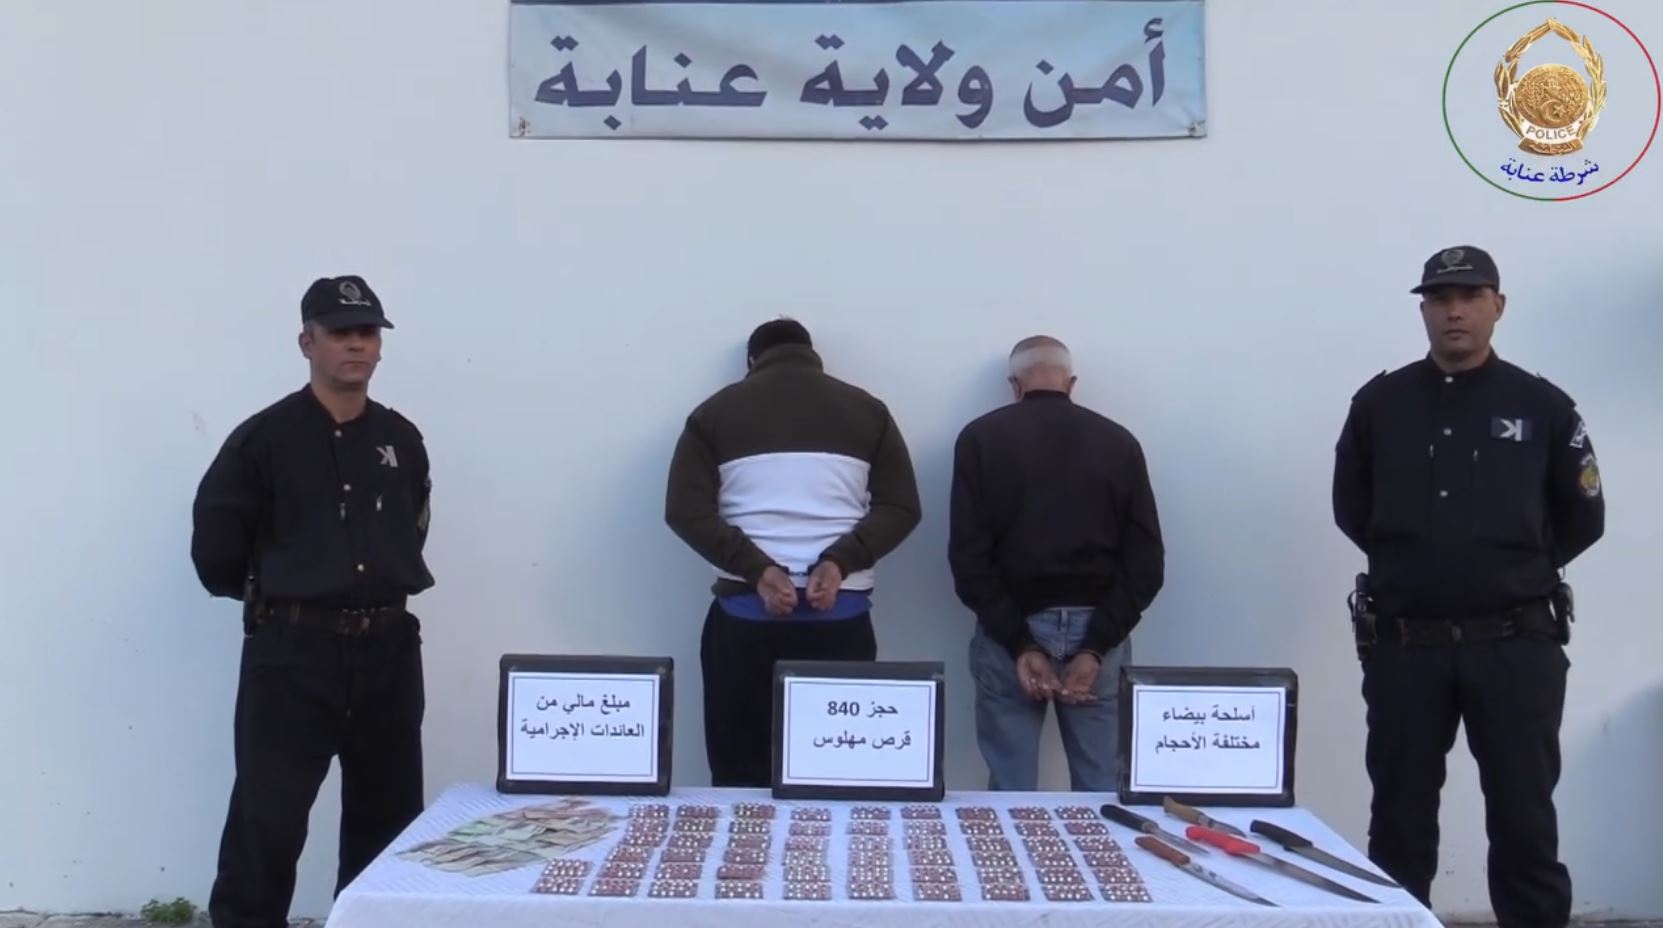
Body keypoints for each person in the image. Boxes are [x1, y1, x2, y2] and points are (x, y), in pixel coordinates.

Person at [1332, 245, 1604, 928]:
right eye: (1439, 298)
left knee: (1523, 820)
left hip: (1515, 645)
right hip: (1406, 647)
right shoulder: (1379, 405)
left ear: (1497, 306)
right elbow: (1352, 509)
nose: (1454, 311)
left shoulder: (1541, 405)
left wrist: (1502, 571)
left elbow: (1583, 515)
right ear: (1423, 309)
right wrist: (1425, 564)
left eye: (1470, 296)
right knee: (1398, 820)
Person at [191, 275, 434, 928]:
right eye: (340, 333)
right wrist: (292, 593)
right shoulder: (262, 440)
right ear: (307, 342)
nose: (356, 345)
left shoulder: (400, 440)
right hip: (293, 653)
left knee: (388, 820)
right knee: (266, 821)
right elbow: (217, 551)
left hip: (387, 652)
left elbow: (411, 527)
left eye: (367, 333)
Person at [665, 318, 922, 787]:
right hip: (840, 618)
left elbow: (685, 511)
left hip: (745, 617)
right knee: (837, 772)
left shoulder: (713, 413)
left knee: (741, 774)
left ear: (751, 362)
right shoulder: (869, 411)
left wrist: (758, 570)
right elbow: (902, 507)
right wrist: (839, 562)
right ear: (813, 356)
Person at [948, 335, 1165, 792]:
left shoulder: (981, 439)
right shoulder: (1119, 442)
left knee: (1011, 789)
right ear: (1072, 382)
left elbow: (969, 558)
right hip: (1099, 627)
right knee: (1100, 786)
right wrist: (1095, 646)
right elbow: (1146, 561)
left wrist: (1020, 644)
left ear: (1014, 384)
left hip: (1010, 629)